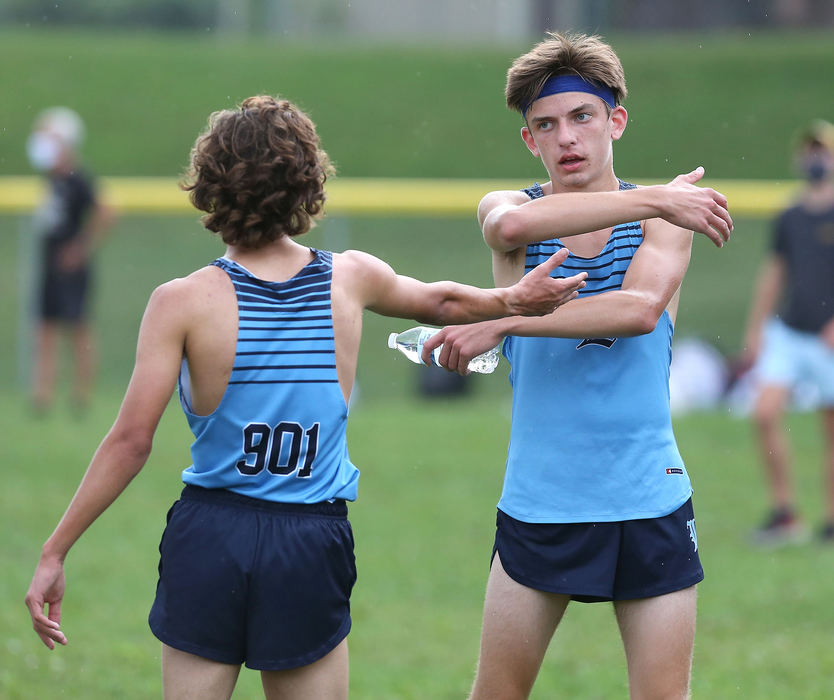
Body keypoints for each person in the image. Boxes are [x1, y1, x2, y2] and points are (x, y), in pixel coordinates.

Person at [24, 95, 587, 700]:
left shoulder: (180, 301)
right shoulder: (349, 276)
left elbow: (132, 441)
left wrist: (56, 550)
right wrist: (509, 300)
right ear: (307, 185)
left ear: (212, 186)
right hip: (307, 539)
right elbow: (443, 300)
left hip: (212, 534)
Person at [422, 32, 732, 699]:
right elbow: (507, 232)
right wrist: (655, 196)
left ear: (615, 120)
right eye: (546, 125)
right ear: (529, 141)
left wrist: (501, 321)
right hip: (543, 497)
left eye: (583, 117)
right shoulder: (514, 209)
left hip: (648, 494)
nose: (567, 137)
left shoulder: (663, 220)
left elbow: (639, 309)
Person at [742, 119, 834, 546]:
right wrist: (756, 328)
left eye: (823, 150)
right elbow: (774, 272)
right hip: (791, 331)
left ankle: (830, 520)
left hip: (829, 337)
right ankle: (785, 513)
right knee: (764, 413)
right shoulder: (790, 214)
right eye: (810, 150)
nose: (816, 158)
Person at [26, 107, 115, 414]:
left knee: (78, 328)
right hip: (49, 263)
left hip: (72, 267)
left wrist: (80, 248)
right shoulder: (52, 178)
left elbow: (106, 212)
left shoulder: (79, 178)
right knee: (45, 327)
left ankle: (81, 394)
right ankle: (43, 394)